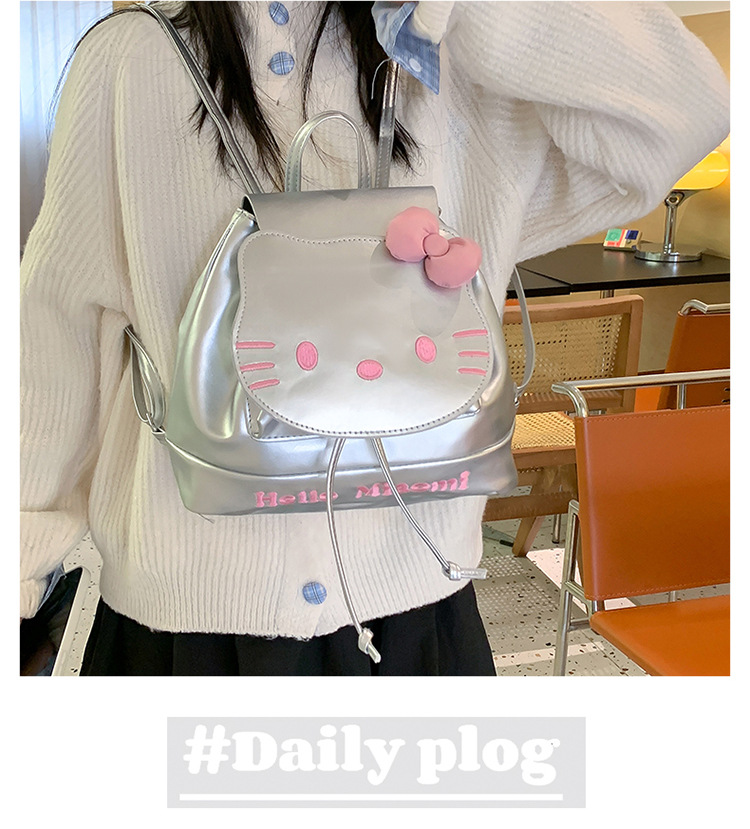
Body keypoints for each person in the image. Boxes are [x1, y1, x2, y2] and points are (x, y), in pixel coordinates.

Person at [20, 1, 729, 676]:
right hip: (180, 623)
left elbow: (687, 111)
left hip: (420, 608)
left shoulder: (458, 57)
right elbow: (52, 345)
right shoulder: (128, 61)